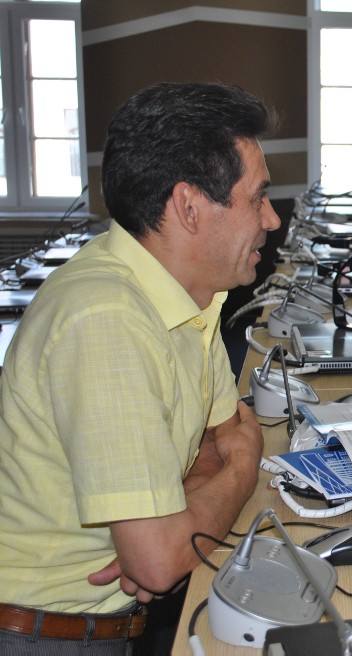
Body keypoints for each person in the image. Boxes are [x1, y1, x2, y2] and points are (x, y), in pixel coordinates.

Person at [0, 82, 279, 653]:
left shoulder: (189, 295)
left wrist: (174, 523)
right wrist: (244, 466)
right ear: (188, 206)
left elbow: (212, 437)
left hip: (96, 622)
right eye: (258, 198)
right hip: (41, 634)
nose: (272, 220)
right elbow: (161, 559)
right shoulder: (108, 317)